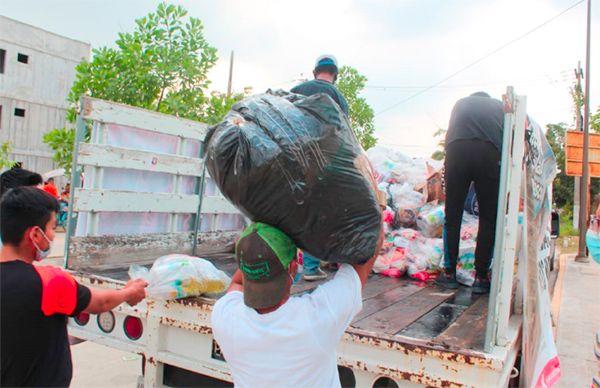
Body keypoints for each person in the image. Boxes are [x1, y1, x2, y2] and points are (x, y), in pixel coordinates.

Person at [0, 187, 148, 387]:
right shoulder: (49, 282)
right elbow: (101, 303)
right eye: (52, 228)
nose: (52, 237)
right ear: (35, 234)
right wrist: (128, 292)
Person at [211, 222, 382, 388]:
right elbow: (372, 244)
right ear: (293, 268)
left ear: (242, 265)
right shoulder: (316, 318)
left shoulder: (225, 315)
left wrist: (253, 253)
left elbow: (237, 284)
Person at [435, 92, 504, 294]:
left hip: (457, 151)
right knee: (488, 219)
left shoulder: (460, 103)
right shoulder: (498, 106)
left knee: (453, 215)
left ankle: (449, 274)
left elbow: (449, 136)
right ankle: (481, 277)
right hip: (489, 153)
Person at [291, 54, 349, 280]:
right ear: (334, 75)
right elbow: (343, 134)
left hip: (293, 157)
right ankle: (311, 268)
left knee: (291, 211)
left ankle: (285, 268)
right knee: (316, 213)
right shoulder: (337, 96)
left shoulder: (297, 89)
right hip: (323, 161)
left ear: (315, 72)